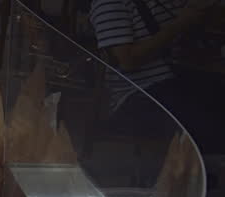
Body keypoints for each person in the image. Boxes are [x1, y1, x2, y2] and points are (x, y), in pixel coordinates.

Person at [90, 0, 225, 154]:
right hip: (139, 96)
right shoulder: (109, 3)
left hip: (178, 82)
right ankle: (198, 173)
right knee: (211, 125)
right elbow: (127, 60)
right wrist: (179, 24)